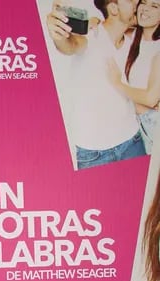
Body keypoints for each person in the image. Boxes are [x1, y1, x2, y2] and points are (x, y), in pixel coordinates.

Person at [46, 1, 144, 168]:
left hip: (132, 142)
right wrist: (59, 35)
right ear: (113, 8)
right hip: (94, 155)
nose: (138, 2)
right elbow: (70, 45)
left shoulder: (134, 39)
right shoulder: (91, 36)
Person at [107, 0, 160, 152]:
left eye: (155, 6)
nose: (146, 9)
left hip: (153, 122)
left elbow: (150, 99)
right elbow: (109, 25)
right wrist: (93, 21)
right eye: (144, 2)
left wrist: (117, 84)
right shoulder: (133, 35)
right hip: (134, 124)